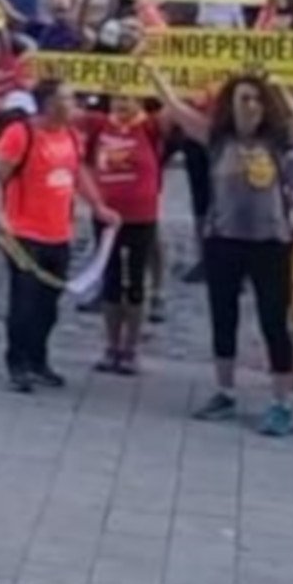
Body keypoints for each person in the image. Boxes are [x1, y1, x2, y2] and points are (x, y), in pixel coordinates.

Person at [167, 75, 293, 435]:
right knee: (223, 316)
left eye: (257, 100)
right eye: (243, 99)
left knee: (274, 322)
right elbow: (177, 108)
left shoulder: (278, 139)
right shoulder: (216, 138)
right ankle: (225, 392)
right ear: (230, 103)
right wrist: (153, 75)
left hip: (271, 242)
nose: (250, 107)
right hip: (224, 239)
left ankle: (281, 403)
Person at [0, 80, 84, 396]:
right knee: (24, 302)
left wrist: (98, 206)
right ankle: (18, 363)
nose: (73, 105)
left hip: (59, 232)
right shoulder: (21, 134)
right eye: (67, 98)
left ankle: (39, 358)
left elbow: (77, 173)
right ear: (49, 103)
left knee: (49, 304)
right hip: (25, 233)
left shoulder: (71, 136)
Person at [81, 91, 166, 376]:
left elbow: (176, 111)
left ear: (140, 101)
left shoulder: (150, 127)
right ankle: (111, 345)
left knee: (135, 281)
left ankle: (131, 348)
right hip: (106, 214)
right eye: (117, 97)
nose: (122, 103)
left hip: (141, 215)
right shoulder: (99, 124)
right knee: (111, 279)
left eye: (128, 98)